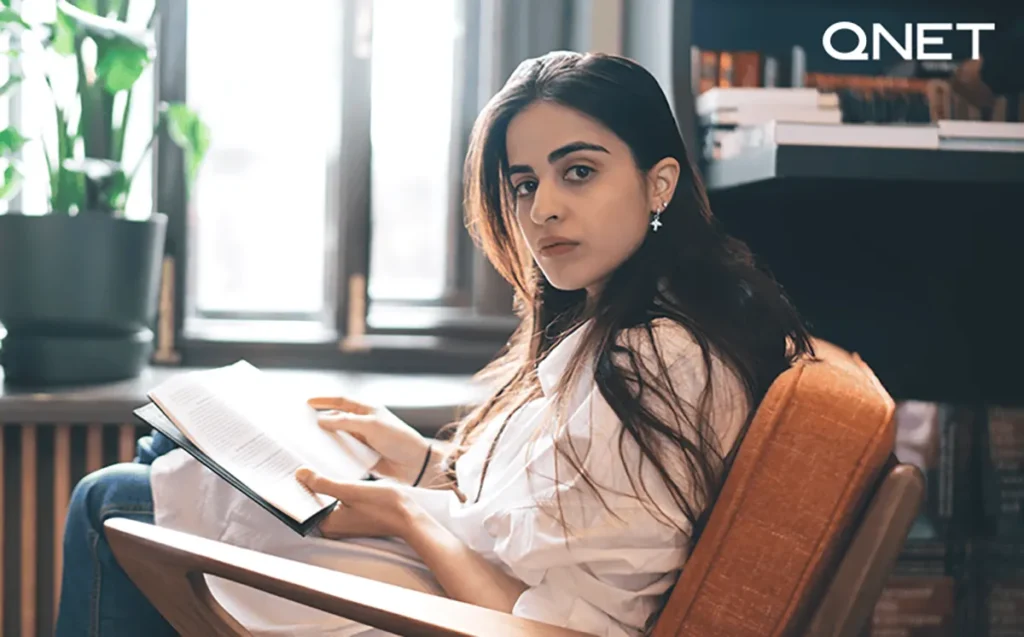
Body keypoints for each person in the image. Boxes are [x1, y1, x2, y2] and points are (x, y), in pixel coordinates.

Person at [54, 50, 815, 637]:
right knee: (169, 457)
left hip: (466, 611)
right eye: (524, 184)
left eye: (578, 172)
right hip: (461, 577)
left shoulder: (657, 362)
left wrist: (407, 511)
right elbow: (554, 507)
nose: (542, 208)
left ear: (659, 183)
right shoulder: (625, 329)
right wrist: (422, 458)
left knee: (109, 500)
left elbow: (559, 617)